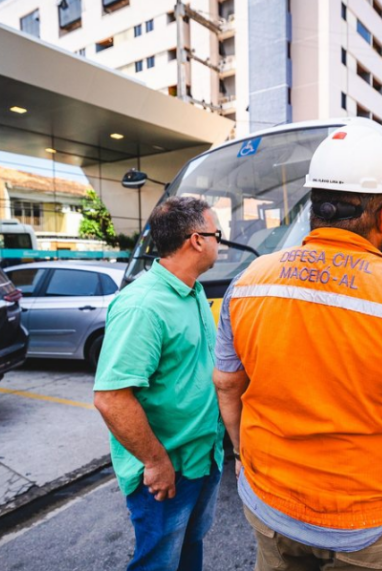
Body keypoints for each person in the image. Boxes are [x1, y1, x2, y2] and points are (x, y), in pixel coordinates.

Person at [213, 124, 382, 571]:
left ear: (313, 209)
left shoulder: (249, 282)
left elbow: (227, 384)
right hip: (370, 526)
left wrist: (240, 455)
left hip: (270, 505)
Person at [93, 196, 225, 571]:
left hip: (203, 457)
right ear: (196, 240)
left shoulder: (193, 290)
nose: (220, 243)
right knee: (159, 563)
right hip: (169, 470)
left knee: (188, 551)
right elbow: (111, 399)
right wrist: (155, 462)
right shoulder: (143, 306)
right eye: (218, 234)